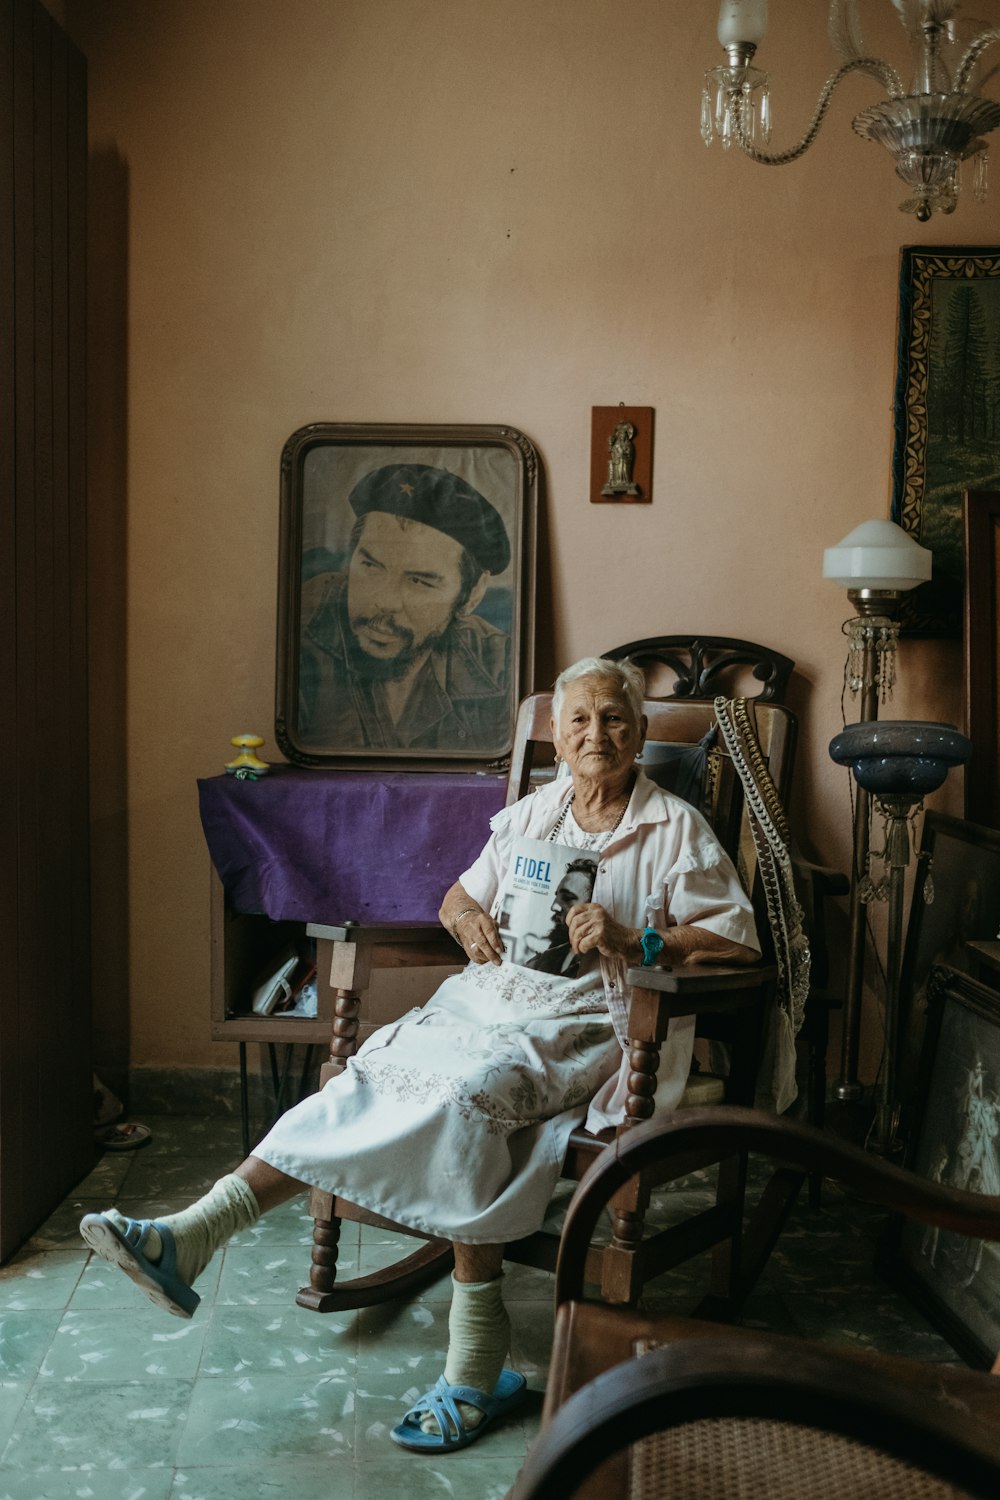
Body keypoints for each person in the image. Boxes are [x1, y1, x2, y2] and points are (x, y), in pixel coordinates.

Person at [80, 656, 759, 1452]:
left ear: (640, 734)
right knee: (370, 1070)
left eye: (614, 719)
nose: (596, 734)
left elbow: (734, 941)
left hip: (591, 1017)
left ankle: (476, 1365)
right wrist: (467, 918)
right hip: (490, 1003)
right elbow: (460, 893)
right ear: (558, 739)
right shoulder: (534, 815)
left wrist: (635, 937)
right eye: (579, 720)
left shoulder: (674, 826)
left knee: (465, 1091)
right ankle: (191, 1233)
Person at [297, 462, 511, 753]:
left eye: (419, 582)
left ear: (472, 595)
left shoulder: (498, 665)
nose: (384, 602)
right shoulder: (300, 629)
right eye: (371, 566)